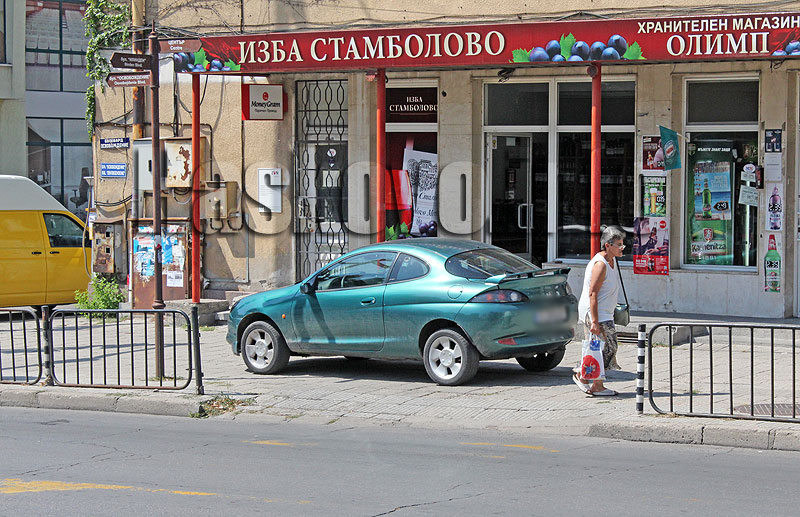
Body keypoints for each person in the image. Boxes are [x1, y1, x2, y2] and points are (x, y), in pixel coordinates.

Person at [574, 226, 626, 396]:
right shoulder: (600, 264)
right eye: (619, 245)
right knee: (605, 347)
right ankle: (592, 381)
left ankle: (586, 377)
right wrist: (595, 322)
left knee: (603, 347)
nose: (622, 248)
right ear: (607, 245)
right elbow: (593, 293)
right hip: (595, 313)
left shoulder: (612, 261)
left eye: (622, 244)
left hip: (604, 312)